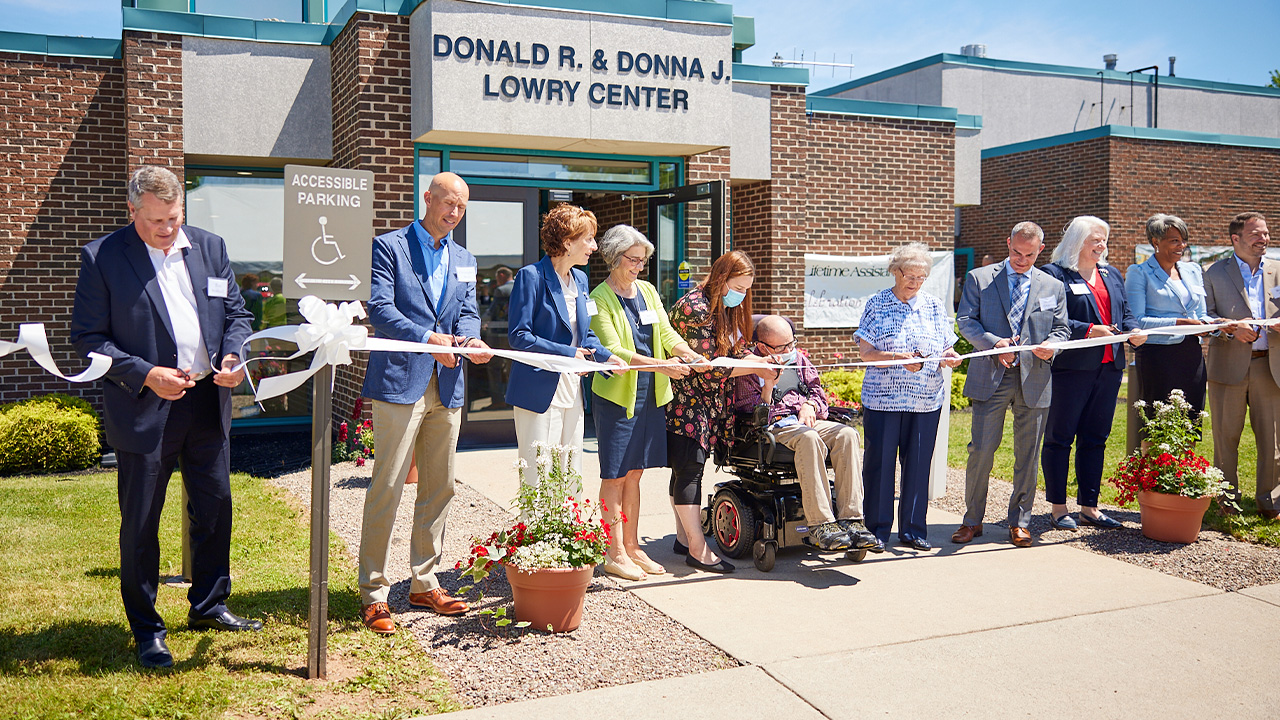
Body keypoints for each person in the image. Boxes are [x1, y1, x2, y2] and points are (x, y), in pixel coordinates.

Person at [70, 166, 258, 669]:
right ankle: (147, 628)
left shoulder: (211, 247)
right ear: (132, 212)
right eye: (155, 221)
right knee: (141, 522)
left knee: (215, 505)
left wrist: (235, 356)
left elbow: (237, 316)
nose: (167, 229)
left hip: (205, 401)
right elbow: (89, 339)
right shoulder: (103, 257)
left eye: (174, 219)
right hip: (145, 406)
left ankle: (209, 603)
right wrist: (146, 373)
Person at [358, 171, 493, 635]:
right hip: (401, 380)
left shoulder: (465, 258)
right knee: (388, 487)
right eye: (448, 203)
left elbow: (468, 311)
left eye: (461, 207)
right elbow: (380, 308)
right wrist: (426, 337)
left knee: (440, 487)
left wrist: (472, 339)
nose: (453, 213)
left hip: (449, 382)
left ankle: (423, 581)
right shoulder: (390, 246)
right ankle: (374, 594)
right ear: (428, 198)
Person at [589, 225, 701, 580]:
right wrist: (662, 365)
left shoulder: (649, 291)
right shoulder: (599, 297)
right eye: (633, 259)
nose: (639, 266)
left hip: (652, 394)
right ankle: (614, 550)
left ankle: (634, 546)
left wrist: (685, 351)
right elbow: (614, 350)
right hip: (619, 395)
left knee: (635, 472)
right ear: (613, 257)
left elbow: (665, 332)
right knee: (616, 474)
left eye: (643, 260)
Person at [953, 222, 1069, 548]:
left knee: (1028, 456)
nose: (1021, 259)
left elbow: (1061, 330)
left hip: (1035, 377)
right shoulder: (980, 278)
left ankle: (1019, 522)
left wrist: (1053, 346)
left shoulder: (1052, 285)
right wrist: (993, 344)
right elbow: (966, 321)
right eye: (1016, 252)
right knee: (981, 451)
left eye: (1029, 255)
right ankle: (972, 521)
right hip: (991, 374)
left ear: (1040, 250)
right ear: (1008, 243)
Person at [667, 250, 772, 574]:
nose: (741, 294)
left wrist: (761, 361)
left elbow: (736, 352)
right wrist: (758, 368)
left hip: (707, 403)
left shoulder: (724, 308)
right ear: (722, 279)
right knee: (690, 469)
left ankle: (685, 538)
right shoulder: (694, 308)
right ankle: (697, 550)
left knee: (685, 469)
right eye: (738, 286)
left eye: (746, 288)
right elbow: (710, 368)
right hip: (685, 401)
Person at [737, 315, 881, 552]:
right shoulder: (749, 368)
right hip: (775, 426)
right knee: (809, 437)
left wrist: (810, 405)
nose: (789, 350)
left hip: (805, 419)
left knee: (847, 434)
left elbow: (817, 391)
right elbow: (752, 414)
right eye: (783, 347)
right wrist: (769, 385)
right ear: (762, 346)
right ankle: (821, 524)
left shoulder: (799, 359)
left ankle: (852, 519)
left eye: (791, 343)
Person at [1041, 216, 1146, 530]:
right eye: (1094, 240)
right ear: (1076, 241)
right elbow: (1048, 318)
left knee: (1096, 438)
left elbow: (1124, 314)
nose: (1101, 246)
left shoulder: (1112, 274)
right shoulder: (1054, 274)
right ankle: (1059, 508)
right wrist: (1088, 330)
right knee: (1060, 438)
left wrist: (1133, 331)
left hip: (1109, 368)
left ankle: (1090, 507)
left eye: (1104, 240)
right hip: (1071, 369)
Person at [507, 205, 627, 479]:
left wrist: (606, 357)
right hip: (538, 389)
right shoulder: (531, 277)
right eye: (588, 239)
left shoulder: (581, 280)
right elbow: (519, 336)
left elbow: (584, 336)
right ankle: (537, 525)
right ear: (567, 242)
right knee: (538, 473)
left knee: (571, 470)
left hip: (572, 389)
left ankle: (569, 523)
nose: (594, 247)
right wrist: (570, 354)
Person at [856, 243, 962, 551]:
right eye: (909, 275)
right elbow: (866, 353)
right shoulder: (877, 304)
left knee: (918, 466)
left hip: (925, 400)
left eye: (921, 276)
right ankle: (876, 529)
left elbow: (945, 348)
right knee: (880, 465)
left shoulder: (932, 305)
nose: (914, 282)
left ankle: (914, 530)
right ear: (894, 271)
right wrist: (896, 357)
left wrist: (949, 357)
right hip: (883, 400)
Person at [1204, 212, 1279, 520]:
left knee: (1273, 441)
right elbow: (1204, 318)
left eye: (1266, 233)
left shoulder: (1278, 270)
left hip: (1270, 366)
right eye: (1256, 234)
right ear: (1235, 239)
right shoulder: (1212, 272)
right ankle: (1226, 501)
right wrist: (1230, 327)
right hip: (1227, 366)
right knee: (1225, 438)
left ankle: (1270, 502)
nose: (1265, 238)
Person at [1124, 214, 1211, 426]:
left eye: (1183, 240)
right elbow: (1137, 321)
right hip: (1158, 357)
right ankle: (1156, 461)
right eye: (1174, 240)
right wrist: (1181, 324)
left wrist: (1211, 325)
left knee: (1191, 422)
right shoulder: (1139, 272)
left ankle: (1184, 461)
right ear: (1155, 242)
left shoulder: (1193, 270)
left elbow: (1201, 315)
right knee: (1158, 425)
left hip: (1192, 355)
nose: (1182, 245)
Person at [482, 266, 514, 411]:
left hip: (500, 335)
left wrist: (481, 322)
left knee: (494, 367)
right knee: (511, 368)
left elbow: (492, 311)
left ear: (501, 275)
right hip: (516, 335)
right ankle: (513, 400)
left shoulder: (501, 291)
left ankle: (498, 400)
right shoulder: (520, 287)